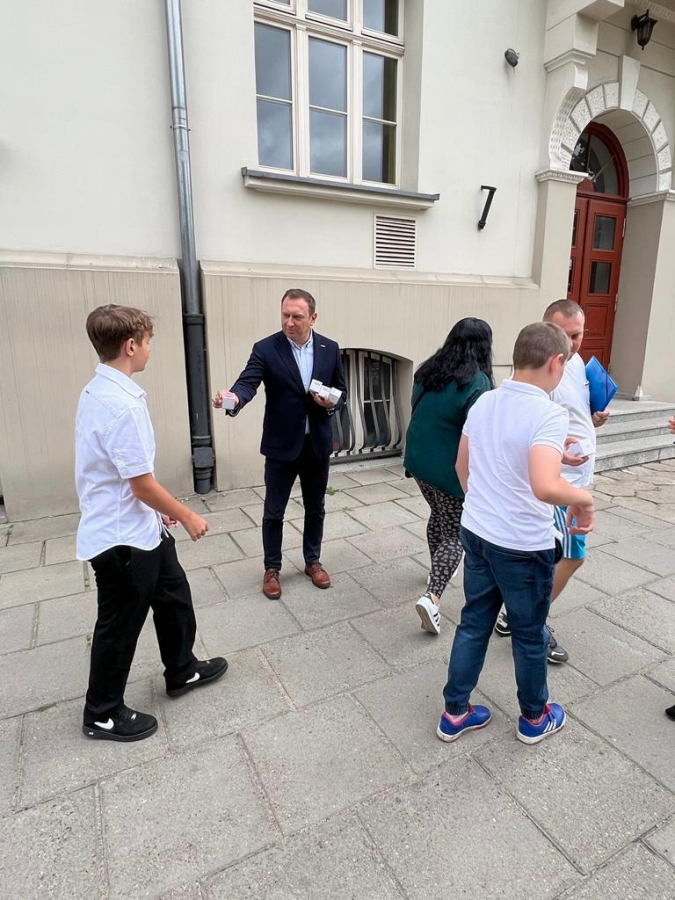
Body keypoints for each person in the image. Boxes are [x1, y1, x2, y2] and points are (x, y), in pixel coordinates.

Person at [437, 322, 594, 746]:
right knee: (528, 634)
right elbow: (545, 487)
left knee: (474, 623)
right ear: (556, 362)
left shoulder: (485, 400)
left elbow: (463, 467)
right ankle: (534, 717)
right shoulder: (548, 412)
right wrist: (584, 498)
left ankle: (455, 713)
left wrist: (485, 505)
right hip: (523, 545)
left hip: (478, 532)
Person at [76, 305, 228, 743]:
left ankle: (182, 669)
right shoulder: (121, 405)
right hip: (121, 539)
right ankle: (102, 713)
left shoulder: (99, 390)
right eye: (147, 341)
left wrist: (157, 511)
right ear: (130, 345)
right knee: (119, 623)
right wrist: (187, 514)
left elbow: (123, 475)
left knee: (173, 594)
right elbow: (140, 483)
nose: (149, 349)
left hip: (141, 526)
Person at [494, 299, 609, 664]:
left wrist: (595, 416)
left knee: (558, 558)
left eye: (578, 335)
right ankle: (530, 623)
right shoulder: (544, 370)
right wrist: (558, 458)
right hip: (557, 483)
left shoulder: (575, 364)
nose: (573, 343)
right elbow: (526, 430)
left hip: (575, 478)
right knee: (568, 557)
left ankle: (514, 614)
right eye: (565, 334)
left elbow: (572, 413)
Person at [213, 289, 347, 600]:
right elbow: (247, 383)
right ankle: (272, 568)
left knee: (316, 508)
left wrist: (331, 403)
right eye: (285, 315)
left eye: (297, 316)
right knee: (274, 511)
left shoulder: (329, 348)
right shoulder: (266, 348)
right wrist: (232, 399)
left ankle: (312, 561)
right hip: (280, 445)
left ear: (313, 317)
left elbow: (341, 391)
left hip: (316, 443)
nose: (289, 322)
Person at [404, 318, 494, 635]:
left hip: (418, 461)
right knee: (456, 534)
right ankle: (432, 597)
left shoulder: (429, 370)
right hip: (447, 469)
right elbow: (480, 434)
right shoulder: (478, 382)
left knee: (438, 515)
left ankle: (437, 570)